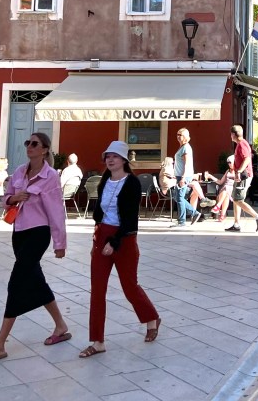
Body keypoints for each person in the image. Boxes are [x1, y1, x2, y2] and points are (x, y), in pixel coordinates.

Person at [0, 132, 69, 364]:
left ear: (45, 149)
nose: (30, 146)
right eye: (28, 143)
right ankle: (61, 326)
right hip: (19, 232)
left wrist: (60, 243)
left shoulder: (50, 177)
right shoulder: (19, 172)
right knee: (35, 279)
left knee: (16, 283)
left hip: (39, 232)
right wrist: (14, 197)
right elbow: (5, 198)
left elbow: (57, 211)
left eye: (35, 144)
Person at [79, 141, 160, 358]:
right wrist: (98, 239)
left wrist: (113, 242)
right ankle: (97, 342)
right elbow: (100, 212)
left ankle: (151, 318)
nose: (110, 159)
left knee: (129, 286)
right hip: (102, 235)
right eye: (107, 156)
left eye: (115, 156)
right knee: (97, 290)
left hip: (124, 238)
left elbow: (130, 220)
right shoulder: (105, 179)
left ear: (124, 159)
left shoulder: (132, 183)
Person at [226, 124, 258, 233]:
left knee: (238, 199)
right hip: (242, 176)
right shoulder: (241, 144)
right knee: (236, 199)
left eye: (230, 134)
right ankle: (236, 224)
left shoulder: (242, 144)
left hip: (243, 176)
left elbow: (247, 159)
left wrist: (239, 171)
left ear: (233, 134)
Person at [172, 128, 202, 227]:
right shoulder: (181, 147)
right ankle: (194, 213)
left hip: (183, 176)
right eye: (177, 134)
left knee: (179, 198)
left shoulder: (186, 148)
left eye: (181, 135)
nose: (178, 136)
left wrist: (183, 178)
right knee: (178, 197)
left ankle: (182, 221)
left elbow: (187, 163)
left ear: (186, 137)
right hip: (179, 175)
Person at [210, 155, 236, 221]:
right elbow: (220, 182)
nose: (229, 164)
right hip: (225, 190)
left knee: (226, 190)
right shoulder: (228, 171)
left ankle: (218, 206)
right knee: (226, 192)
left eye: (230, 162)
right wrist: (211, 176)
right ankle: (222, 215)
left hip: (233, 189)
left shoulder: (237, 171)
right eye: (228, 163)